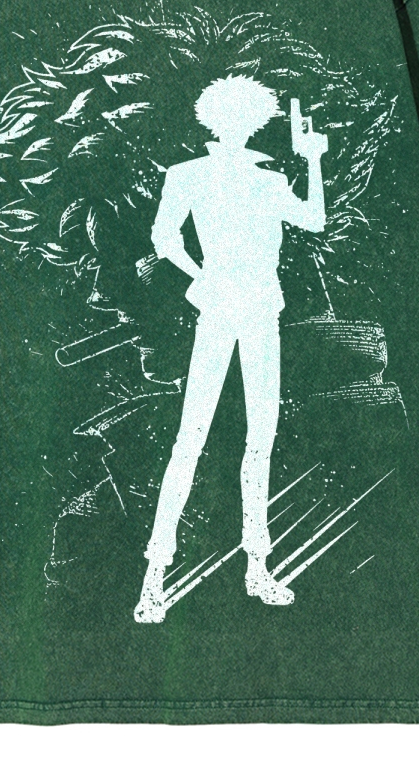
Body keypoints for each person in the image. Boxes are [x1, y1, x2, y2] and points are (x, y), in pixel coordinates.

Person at [135, 74, 328, 623]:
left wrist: (313, 159)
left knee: (250, 437)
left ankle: (254, 568)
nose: (240, 126)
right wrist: (202, 276)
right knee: (196, 437)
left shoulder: (262, 179)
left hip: (257, 311)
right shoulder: (193, 175)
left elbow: (313, 221)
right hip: (225, 310)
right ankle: (155, 578)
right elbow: (164, 237)